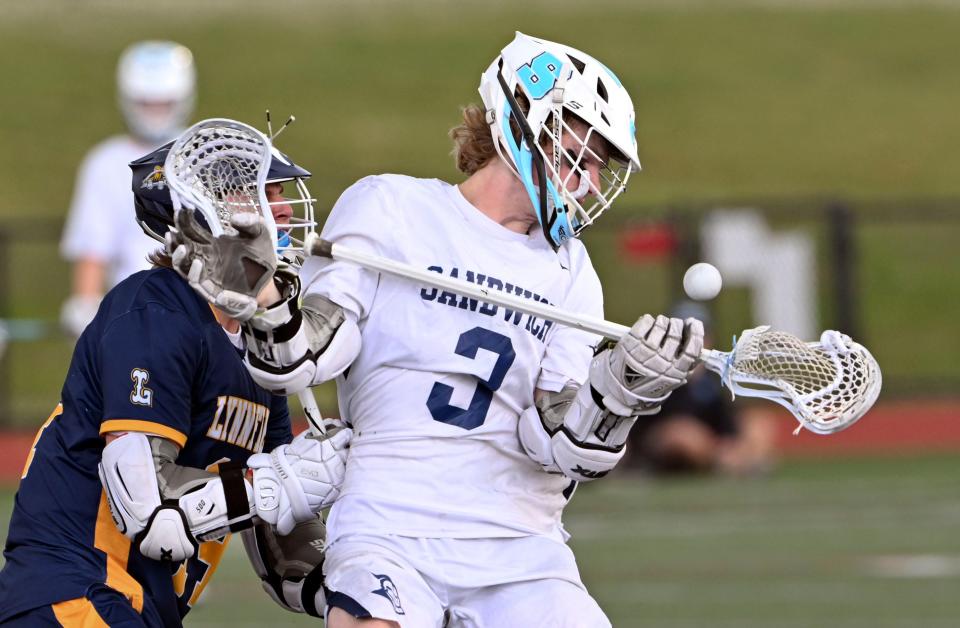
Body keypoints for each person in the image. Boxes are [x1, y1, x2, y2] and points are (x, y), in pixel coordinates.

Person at [170, 34, 704, 627]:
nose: (590, 182)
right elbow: (304, 358)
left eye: (601, 165)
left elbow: (554, 444)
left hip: (520, 545)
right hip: (392, 522)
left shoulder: (571, 270)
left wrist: (618, 394)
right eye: (588, 154)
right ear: (529, 125)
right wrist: (264, 299)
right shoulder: (390, 207)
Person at [0, 127, 346, 627]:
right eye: (264, 194)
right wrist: (285, 480)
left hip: (136, 609)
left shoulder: (259, 355)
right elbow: (147, 508)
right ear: (206, 210)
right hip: (75, 597)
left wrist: (360, 590)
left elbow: (281, 551)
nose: (286, 209)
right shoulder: (156, 310)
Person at [59, 41, 197, 338]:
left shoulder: (204, 153)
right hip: (133, 316)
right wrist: (87, 308)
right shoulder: (104, 163)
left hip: (203, 309)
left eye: (164, 103)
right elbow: (92, 252)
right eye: (147, 103)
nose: (156, 113)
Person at [627, 301, 777, 475]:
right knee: (682, 436)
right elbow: (644, 429)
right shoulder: (655, 376)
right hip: (663, 443)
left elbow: (726, 419)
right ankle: (724, 463)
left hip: (710, 441)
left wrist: (732, 440)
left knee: (759, 424)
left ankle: (736, 461)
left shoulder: (711, 379)